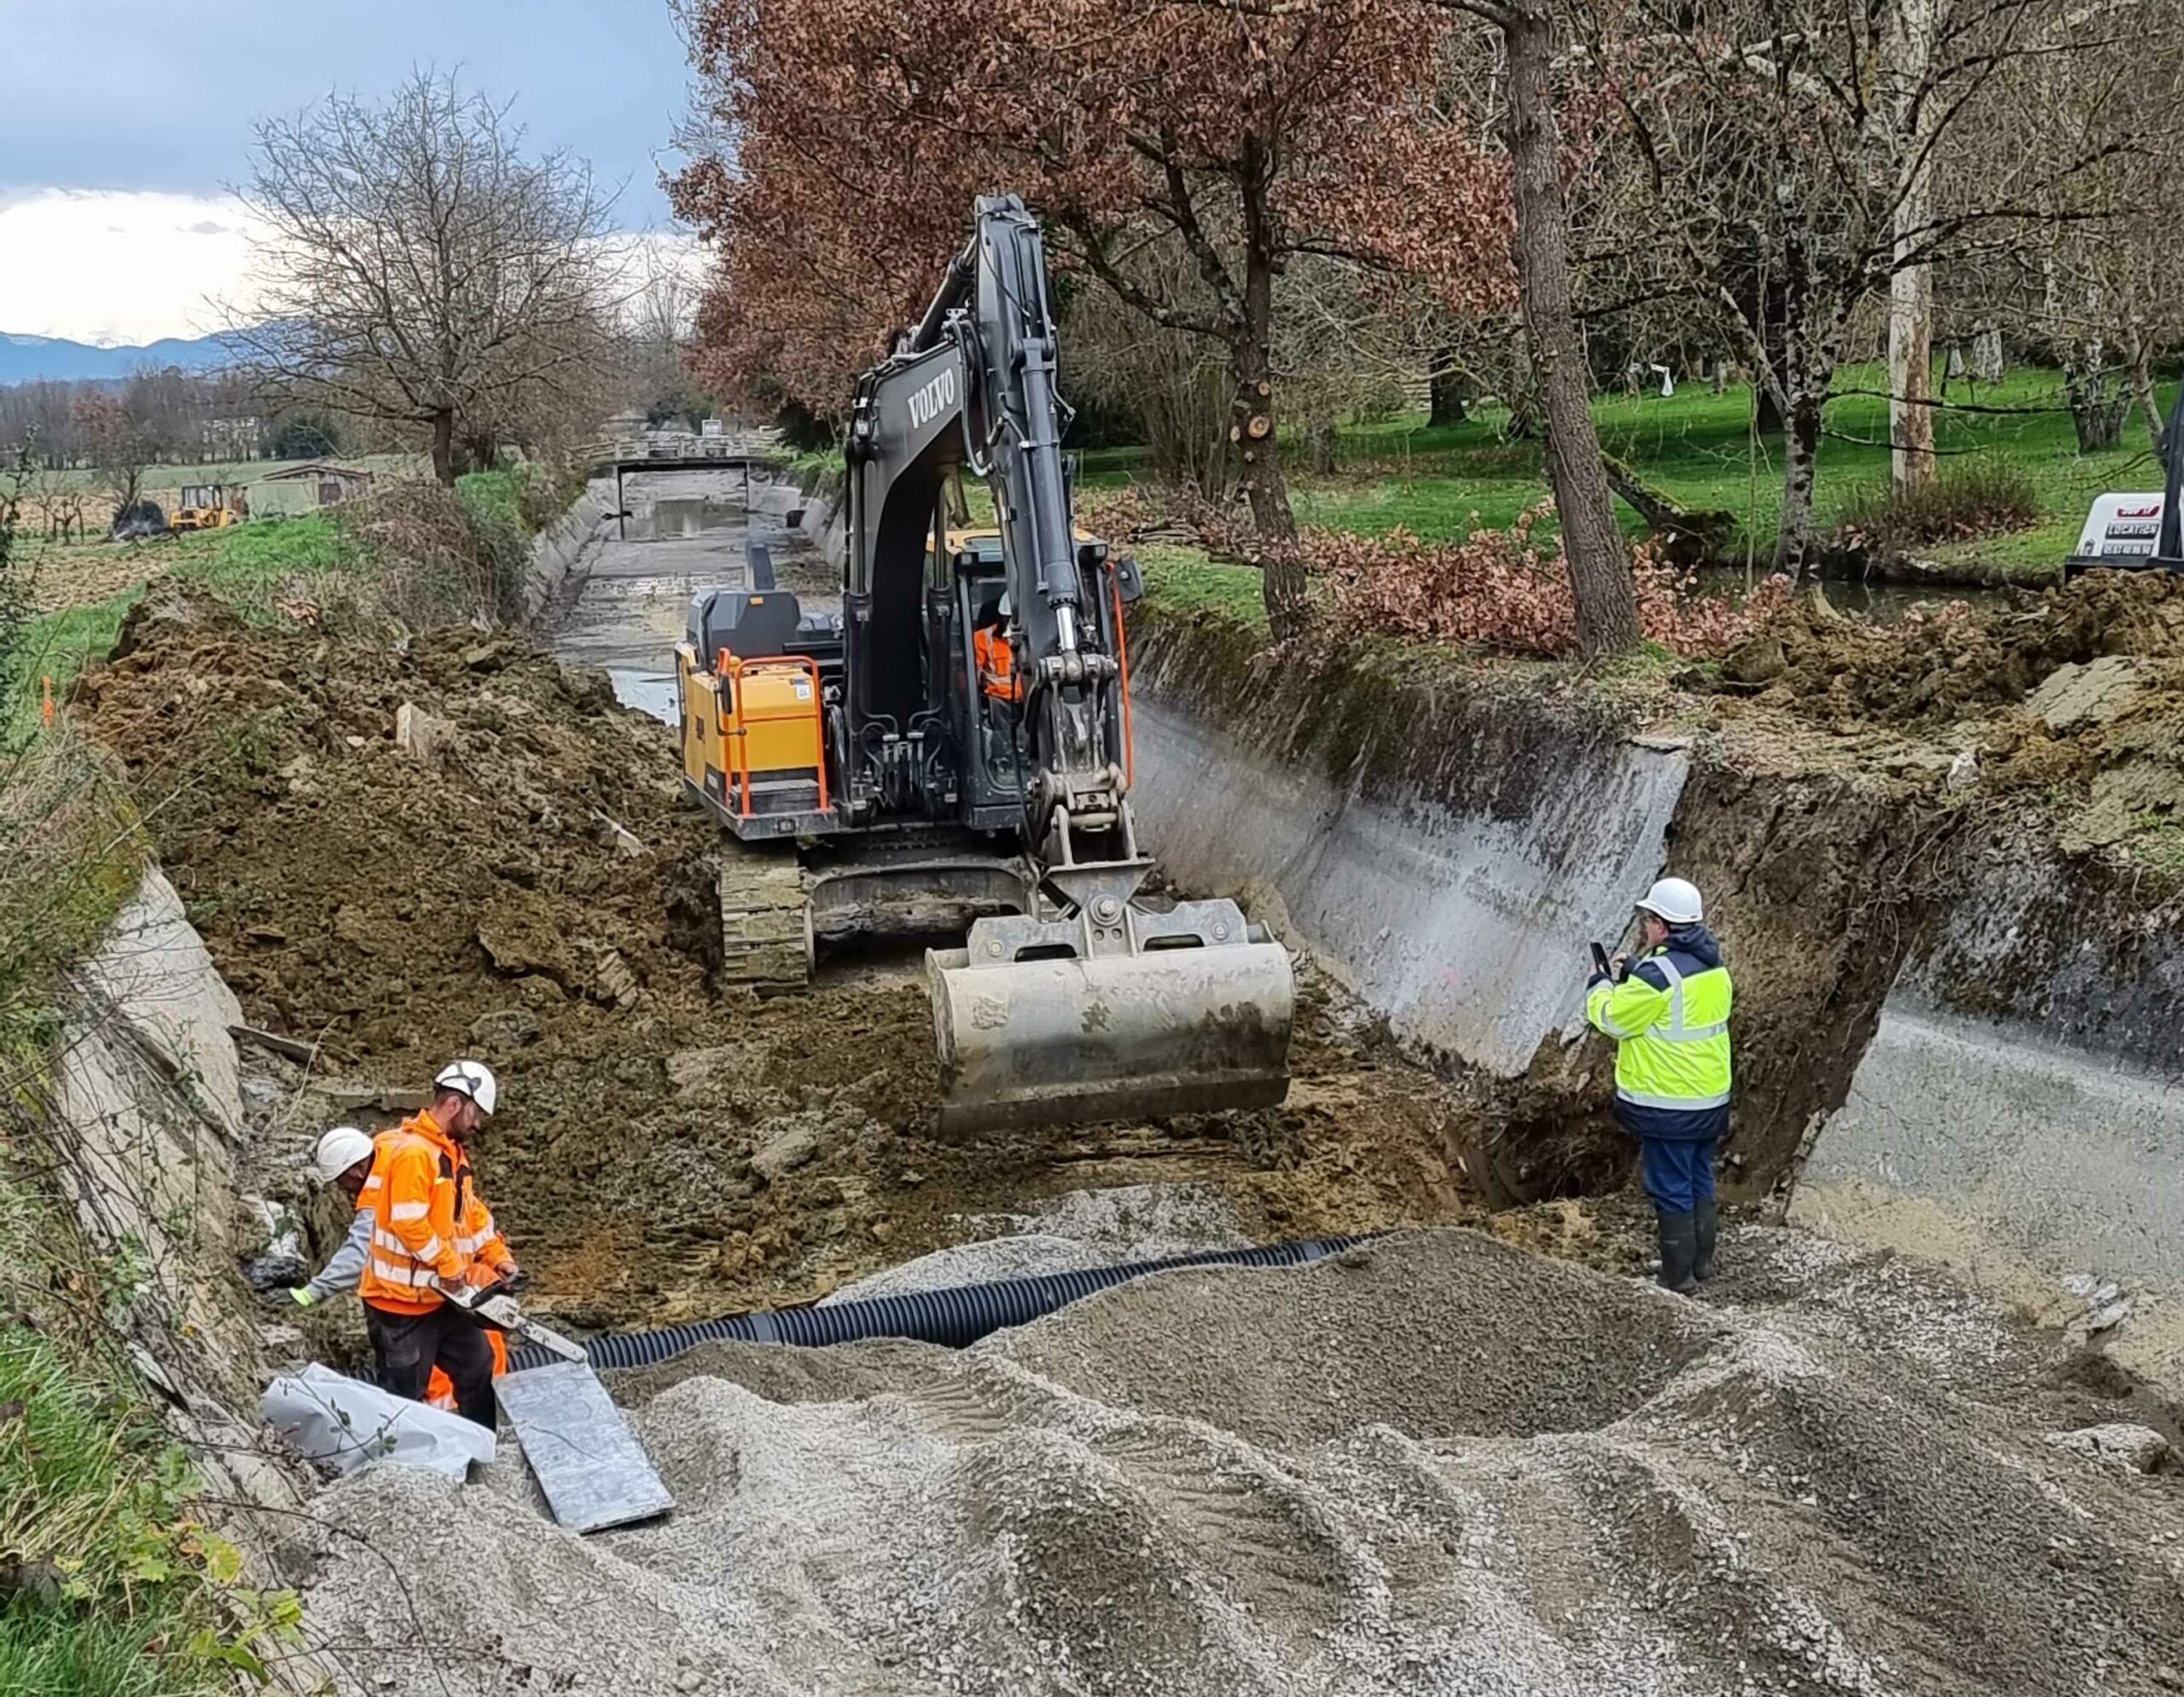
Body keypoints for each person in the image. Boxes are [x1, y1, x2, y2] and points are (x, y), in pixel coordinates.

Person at [288, 1124, 508, 1409]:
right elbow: (471, 1212)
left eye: (343, 1183)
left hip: (415, 1301)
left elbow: (359, 1251)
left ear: (355, 1171)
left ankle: (433, 1432)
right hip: (454, 1289)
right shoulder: (398, 1146)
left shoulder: (379, 1187)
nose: (345, 1191)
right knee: (476, 1371)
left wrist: (313, 1292)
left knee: (413, 1393)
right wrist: (498, 1256)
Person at [1584, 876, 1734, 1294]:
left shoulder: (1657, 975)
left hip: (1669, 1104)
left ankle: (1677, 1279)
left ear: (1663, 926)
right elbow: (1679, 1001)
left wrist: (1600, 984)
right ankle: (1699, 1264)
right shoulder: (1714, 967)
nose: (1645, 926)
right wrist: (1636, 970)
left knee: (1669, 1187)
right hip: (1709, 1100)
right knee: (1699, 1178)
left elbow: (1613, 1018)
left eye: (1649, 919)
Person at [357, 1061, 519, 1428]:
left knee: (478, 1366)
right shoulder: (415, 1153)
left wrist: (497, 1257)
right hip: (398, 1305)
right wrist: (450, 1266)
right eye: (476, 1114)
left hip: (440, 1299)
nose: (478, 1125)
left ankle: (485, 1443)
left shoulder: (450, 1155)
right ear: (455, 1104)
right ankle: (402, 1470)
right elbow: (408, 1222)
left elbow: (470, 1217)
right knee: (403, 1398)